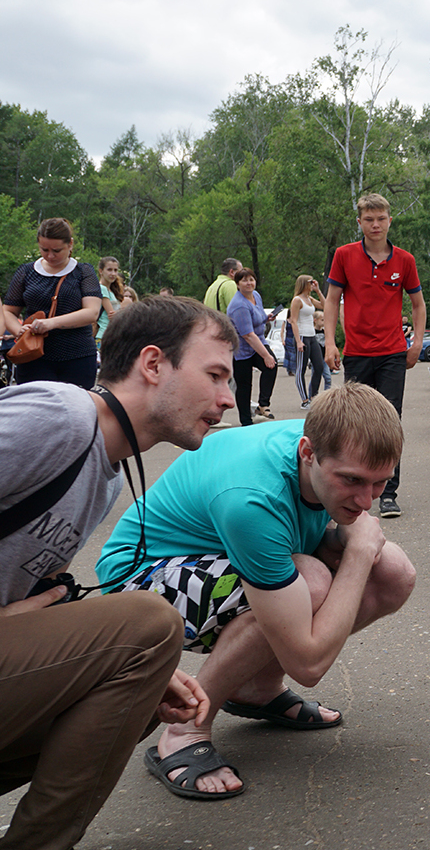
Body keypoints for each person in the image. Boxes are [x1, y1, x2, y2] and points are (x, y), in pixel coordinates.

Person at [95, 382, 417, 800]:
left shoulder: (334, 440)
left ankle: (255, 690)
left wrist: (351, 544)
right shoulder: (253, 498)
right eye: (352, 480)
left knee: (393, 571)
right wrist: (355, 554)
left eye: (379, 483)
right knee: (312, 580)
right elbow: (309, 663)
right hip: (140, 583)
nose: (366, 501)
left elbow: (315, 535)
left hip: (219, 557)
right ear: (307, 451)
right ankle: (183, 730)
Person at [0, 295, 237, 847]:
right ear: (153, 365)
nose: (228, 398)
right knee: (151, 624)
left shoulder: (106, 472)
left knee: (149, 691)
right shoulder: (60, 417)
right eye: (215, 375)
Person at [324, 193, 425, 519]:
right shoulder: (344, 255)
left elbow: (418, 305)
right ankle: (355, 492)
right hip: (357, 353)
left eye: (381, 218)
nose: (376, 224)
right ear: (360, 222)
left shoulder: (404, 260)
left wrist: (418, 343)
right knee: (355, 425)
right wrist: (329, 342)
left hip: (393, 353)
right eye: (369, 219)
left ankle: (389, 493)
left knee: (390, 422)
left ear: (389, 220)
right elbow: (331, 300)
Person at [2, 218, 102, 389]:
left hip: (78, 357)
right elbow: (8, 311)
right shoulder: (26, 272)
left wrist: (50, 323)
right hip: (32, 356)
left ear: (70, 244)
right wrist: (19, 330)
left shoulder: (84, 272)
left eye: (57, 250)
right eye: (44, 249)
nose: (50, 255)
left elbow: (91, 312)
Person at [225, 268, 277, 424]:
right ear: (238, 284)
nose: (249, 283)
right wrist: (265, 355)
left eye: (251, 279)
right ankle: (246, 421)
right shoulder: (239, 305)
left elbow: (256, 319)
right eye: (244, 280)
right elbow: (247, 335)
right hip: (241, 349)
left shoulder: (256, 296)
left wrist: (265, 319)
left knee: (271, 367)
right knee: (244, 385)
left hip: (258, 341)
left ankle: (263, 404)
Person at [289, 274, 325, 408]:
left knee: (319, 366)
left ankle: (313, 396)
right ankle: (305, 400)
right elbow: (293, 321)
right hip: (302, 336)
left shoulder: (309, 298)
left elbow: (325, 306)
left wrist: (318, 291)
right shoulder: (297, 300)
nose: (312, 284)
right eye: (310, 282)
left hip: (312, 336)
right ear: (304, 284)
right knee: (301, 369)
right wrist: (298, 341)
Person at [95, 256, 124, 348]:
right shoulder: (101, 288)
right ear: (101, 271)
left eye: (115, 270)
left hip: (110, 334)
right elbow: (112, 315)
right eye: (109, 270)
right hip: (103, 334)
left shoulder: (111, 290)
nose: (113, 273)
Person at [313, 309, 333, 390]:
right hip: (316, 358)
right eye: (322, 320)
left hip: (324, 357)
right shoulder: (312, 332)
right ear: (315, 320)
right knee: (315, 378)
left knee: (328, 378)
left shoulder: (324, 331)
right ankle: (313, 395)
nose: (324, 322)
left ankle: (326, 395)